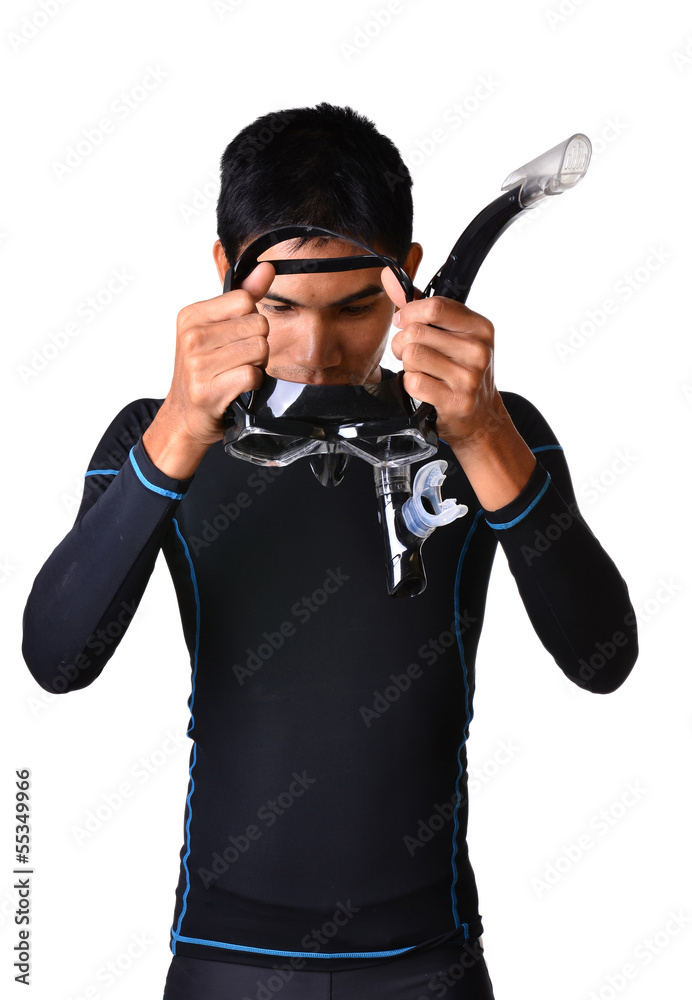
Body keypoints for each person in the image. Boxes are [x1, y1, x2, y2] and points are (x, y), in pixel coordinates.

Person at [22, 103, 638, 999]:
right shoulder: (150, 438)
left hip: (430, 961)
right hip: (224, 962)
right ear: (224, 278)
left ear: (412, 277)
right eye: (280, 306)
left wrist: (483, 436)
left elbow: (604, 659)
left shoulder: (492, 432)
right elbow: (56, 659)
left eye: (355, 307)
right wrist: (182, 429)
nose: (315, 351)